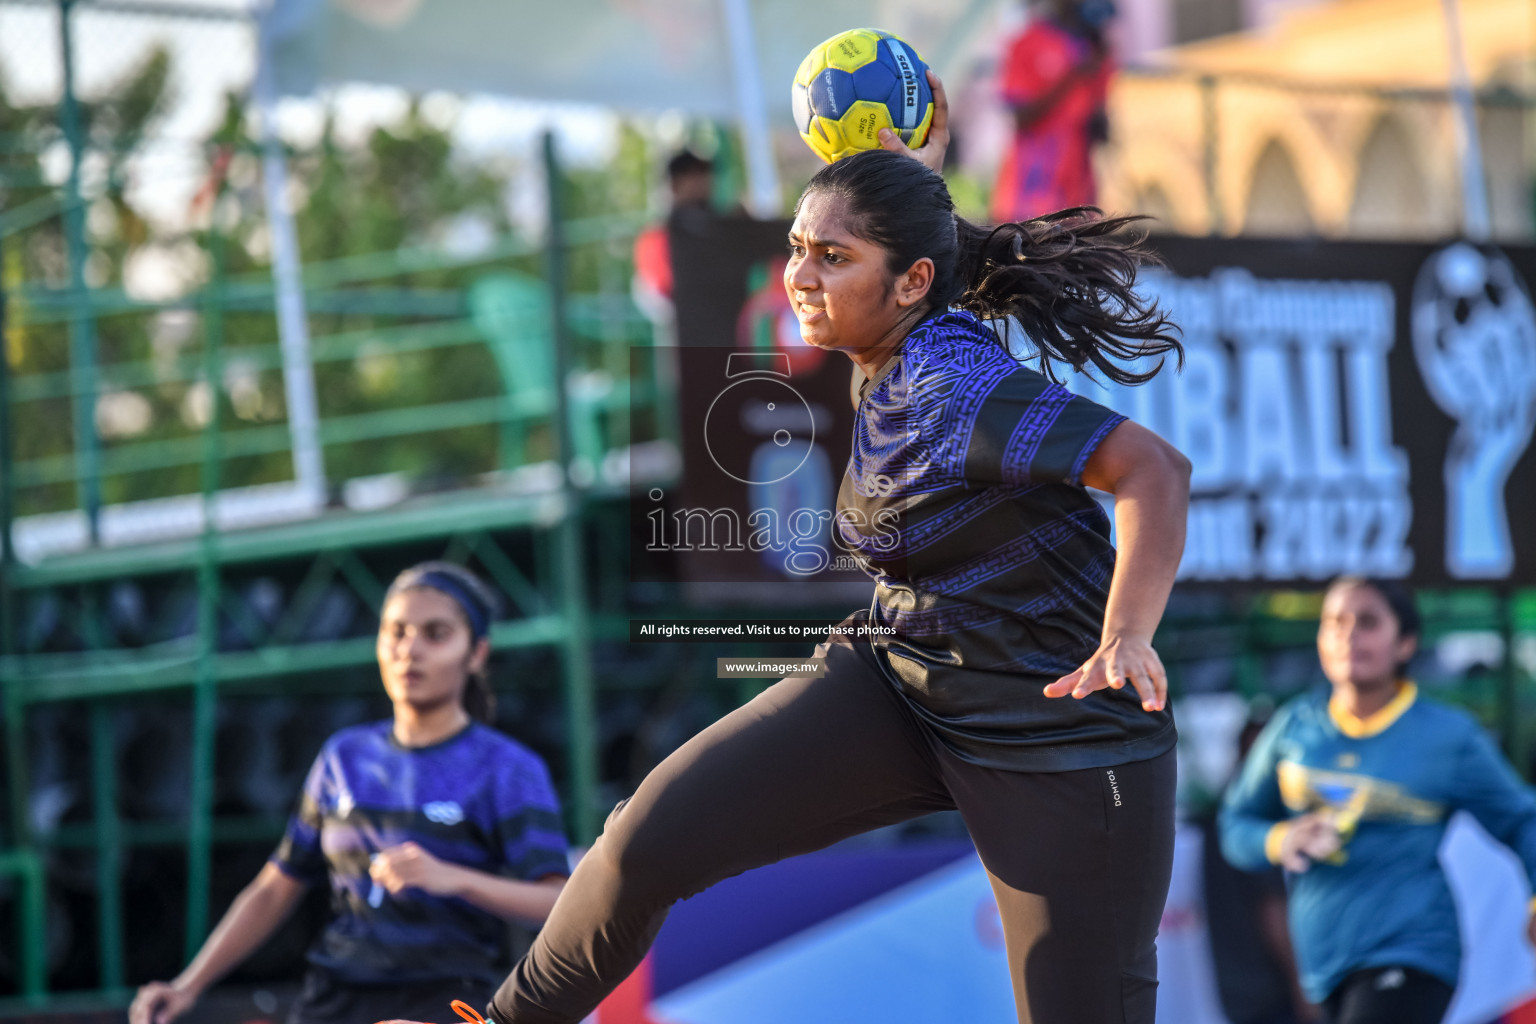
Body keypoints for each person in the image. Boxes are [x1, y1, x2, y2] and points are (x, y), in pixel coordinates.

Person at [390, 70, 1190, 1024]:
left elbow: (1154, 469)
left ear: (911, 282)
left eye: (832, 258)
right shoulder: (899, 329)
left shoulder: (957, 389)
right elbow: (927, 244)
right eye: (797, 249)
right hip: (905, 675)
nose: (799, 279)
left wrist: (1129, 632)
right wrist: (914, 165)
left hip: (1061, 735)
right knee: (645, 839)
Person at [130, 562, 570, 1024]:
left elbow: (557, 901)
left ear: (476, 654)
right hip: (335, 996)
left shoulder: (507, 768)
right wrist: (187, 985)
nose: (409, 650)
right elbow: (275, 887)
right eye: (396, 632)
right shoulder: (342, 757)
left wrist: (453, 878)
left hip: (445, 999)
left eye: (435, 634)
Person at [1220, 576, 1536, 1024]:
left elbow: (1523, 819)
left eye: (1367, 622)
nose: (1348, 635)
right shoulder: (1293, 728)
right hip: (1324, 962)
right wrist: (1280, 838)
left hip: (1414, 949)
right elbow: (1236, 823)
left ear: (1405, 643)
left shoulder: (1449, 735)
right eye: (1335, 622)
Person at [992, 0, 1117, 223]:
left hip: (1077, 198)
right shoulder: (1027, 42)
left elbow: (1100, 127)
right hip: (1031, 196)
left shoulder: (1094, 47)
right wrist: (1072, 74)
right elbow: (1022, 118)